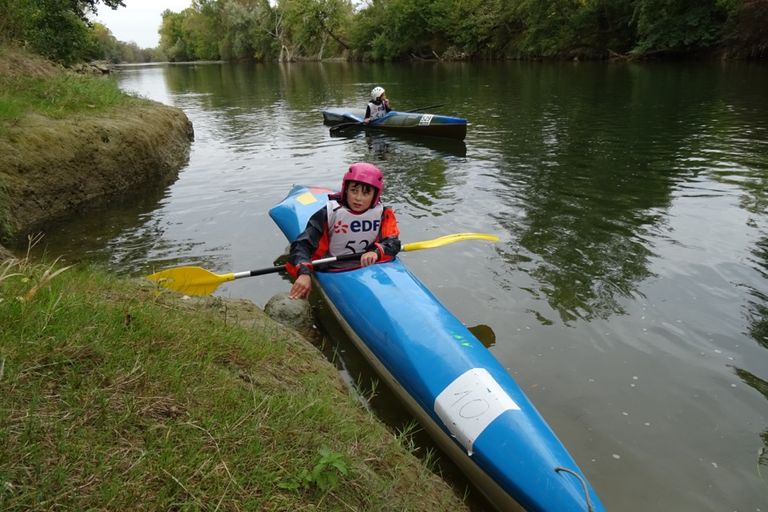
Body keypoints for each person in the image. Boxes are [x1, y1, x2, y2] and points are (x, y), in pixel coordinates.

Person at [287, 162, 401, 300]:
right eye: (354, 191)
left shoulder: (383, 214)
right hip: (333, 267)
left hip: (371, 265)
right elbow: (302, 245)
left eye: (366, 193)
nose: (358, 198)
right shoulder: (328, 214)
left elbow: (393, 242)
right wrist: (304, 272)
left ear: (375, 195)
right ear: (345, 190)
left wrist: (376, 252)